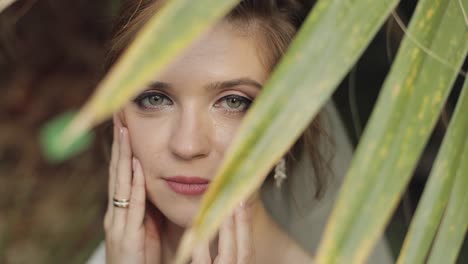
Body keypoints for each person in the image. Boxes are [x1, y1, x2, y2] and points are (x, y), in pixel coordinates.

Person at [88, 0, 363, 263]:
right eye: (155, 99)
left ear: (286, 122)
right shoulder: (120, 253)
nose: (188, 145)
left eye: (233, 102)